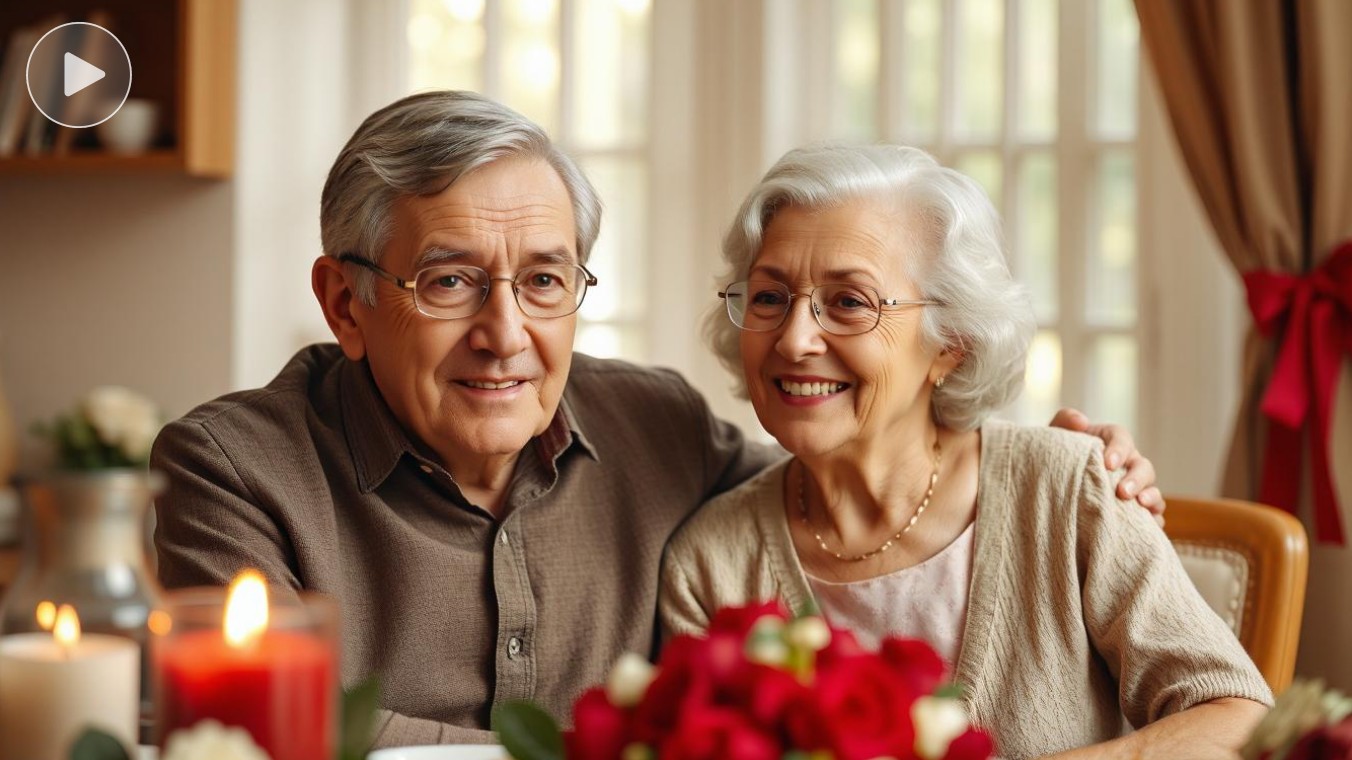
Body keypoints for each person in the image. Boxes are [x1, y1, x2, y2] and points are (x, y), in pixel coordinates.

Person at [152, 91, 1164, 747]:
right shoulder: (234, 468)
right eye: (450, 281)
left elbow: (849, 471)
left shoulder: (660, 425)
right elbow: (266, 731)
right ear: (344, 304)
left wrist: (1033, 461)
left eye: (544, 280)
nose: (505, 334)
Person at [658, 143, 1271, 759]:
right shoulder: (711, 564)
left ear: (950, 341)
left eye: (849, 302)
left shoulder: (1065, 488)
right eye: (769, 297)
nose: (793, 340)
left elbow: (1237, 719)